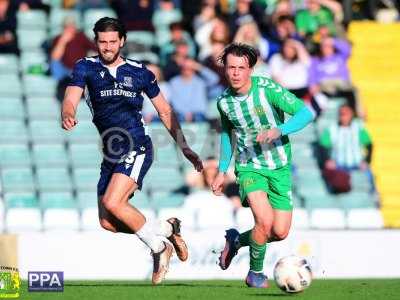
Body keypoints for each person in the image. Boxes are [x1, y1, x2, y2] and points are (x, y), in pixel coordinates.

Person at [61, 17, 203, 285]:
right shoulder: (85, 67)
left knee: (113, 202)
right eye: (102, 42)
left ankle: (160, 248)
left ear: (122, 42)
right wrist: (67, 113)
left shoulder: (140, 72)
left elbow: (164, 110)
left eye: (113, 41)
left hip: (136, 144)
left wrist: (185, 147)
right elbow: (71, 97)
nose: (107, 47)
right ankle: (167, 229)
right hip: (110, 151)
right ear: (96, 42)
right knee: (108, 222)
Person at [211, 43, 314, 288]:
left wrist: (279, 130)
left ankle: (236, 242)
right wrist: (222, 169)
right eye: (231, 67)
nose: (235, 73)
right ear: (225, 69)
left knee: (278, 232)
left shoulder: (268, 90)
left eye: (241, 68)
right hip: (249, 166)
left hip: (279, 167)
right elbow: (228, 135)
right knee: (264, 221)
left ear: (250, 70)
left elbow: (305, 113)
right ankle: (254, 273)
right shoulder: (224, 102)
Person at [319, 104, 375, 193]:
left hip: (357, 164)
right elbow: (323, 147)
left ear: (351, 114)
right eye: (341, 114)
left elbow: (369, 145)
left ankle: (373, 197)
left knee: (369, 176)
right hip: (339, 165)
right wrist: (327, 160)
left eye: (346, 114)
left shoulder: (358, 128)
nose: (344, 116)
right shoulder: (331, 129)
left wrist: (366, 161)